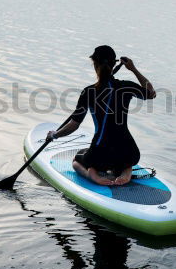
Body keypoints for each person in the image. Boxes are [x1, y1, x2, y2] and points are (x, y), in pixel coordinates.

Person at [46, 45, 156, 187]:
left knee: (76, 161)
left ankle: (91, 174)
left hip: (100, 155)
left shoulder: (89, 92)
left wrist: (55, 135)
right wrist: (133, 69)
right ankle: (126, 170)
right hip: (129, 152)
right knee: (123, 159)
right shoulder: (126, 87)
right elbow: (151, 93)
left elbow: (74, 125)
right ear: (114, 64)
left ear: (94, 64)